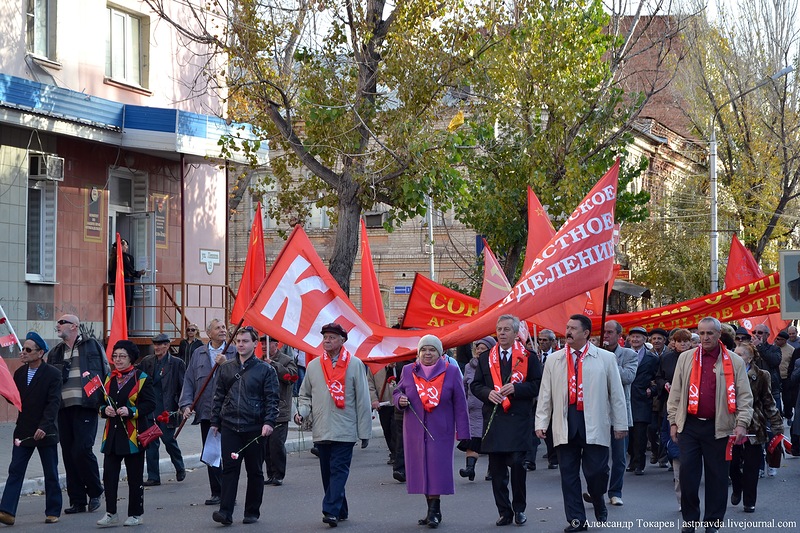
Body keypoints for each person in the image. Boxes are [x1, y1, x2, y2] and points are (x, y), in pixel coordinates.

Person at [535, 314, 628, 533]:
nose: (568, 332)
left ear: (586, 333)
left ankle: (597, 499)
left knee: (597, 472)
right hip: (565, 423)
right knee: (568, 474)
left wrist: (621, 423)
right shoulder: (554, 359)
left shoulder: (604, 358)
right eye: (567, 327)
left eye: (573, 328)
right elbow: (545, 393)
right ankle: (576, 519)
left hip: (594, 421)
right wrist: (541, 421)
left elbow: (616, 393)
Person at [667, 317, 754, 533]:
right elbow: (676, 392)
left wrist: (742, 424)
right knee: (687, 475)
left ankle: (712, 522)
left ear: (718, 335)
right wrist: (673, 422)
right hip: (690, 426)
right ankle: (690, 519)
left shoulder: (734, 361)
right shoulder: (686, 358)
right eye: (702, 333)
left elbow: (744, 395)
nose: (705, 337)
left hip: (720, 428)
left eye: (710, 334)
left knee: (717, 477)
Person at [294, 322, 372, 528]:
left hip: (345, 429)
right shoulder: (313, 366)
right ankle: (341, 508)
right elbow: (304, 395)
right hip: (322, 427)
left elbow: (363, 400)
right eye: (325, 337)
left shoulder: (355, 364)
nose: (327, 341)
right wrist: (301, 412)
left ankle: (330, 510)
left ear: (342, 341)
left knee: (338, 470)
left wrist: (364, 432)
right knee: (327, 473)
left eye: (332, 338)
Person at [470, 314, 542, 527]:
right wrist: (486, 393)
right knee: (497, 469)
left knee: (518, 465)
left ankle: (519, 508)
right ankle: (504, 512)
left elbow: (538, 384)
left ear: (515, 332)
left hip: (518, 419)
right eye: (499, 329)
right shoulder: (486, 358)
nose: (501, 333)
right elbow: (475, 385)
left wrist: (517, 388)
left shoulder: (528, 357)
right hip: (495, 419)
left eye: (506, 329)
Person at [394, 335, 470, 528]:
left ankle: (434, 510)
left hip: (441, 430)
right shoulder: (408, 370)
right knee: (421, 470)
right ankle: (431, 509)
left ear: (440, 353)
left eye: (432, 350)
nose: (427, 353)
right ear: (418, 353)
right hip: (414, 430)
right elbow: (397, 392)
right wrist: (399, 401)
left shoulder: (451, 371)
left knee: (436, 469)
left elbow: (460, 404)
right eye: (424, 350)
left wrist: (463, 433)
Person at [210, 327, 279, 525]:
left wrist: (269, 422)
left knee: (255, 470)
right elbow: (218, 396)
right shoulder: (226, 368)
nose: (240, 344)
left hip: (255, 427)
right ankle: (225, 512)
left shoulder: (266, 370)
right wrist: (215, 421)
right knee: (229, 470)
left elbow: (272, 399)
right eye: (238, 341)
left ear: (255, 344)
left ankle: (251, 511)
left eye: (245, 341)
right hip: (231, 425)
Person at [47, 314, 109, 515]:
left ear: (74, 326)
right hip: (63, 408)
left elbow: (105, 371)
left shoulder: (92, 345)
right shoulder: (55, 352)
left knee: (82, 449)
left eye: (62, 322)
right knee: (68, 452)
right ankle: (78, 500)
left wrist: (104, 400)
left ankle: (96, 491)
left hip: (86, 405)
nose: (58, 325)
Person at [0, 332, 62, 525]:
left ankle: (53, 511)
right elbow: (15, 398)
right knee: (15, 470)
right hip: (24, 431)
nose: (23, 353)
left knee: (50, 472)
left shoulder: (53, 374)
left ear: (40, 353)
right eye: (22, 349)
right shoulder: (19, 373)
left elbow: (53, 403)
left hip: (45, 430)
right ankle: (7, 511)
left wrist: (45, 425)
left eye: (28, 350)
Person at [96, 340, 156, 528]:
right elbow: (100, 403)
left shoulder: (142, 378)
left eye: (122, 356)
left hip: (133, 436)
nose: (118, 360)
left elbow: (150, 404)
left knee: (135, 476)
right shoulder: (108, 378)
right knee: (110, 476)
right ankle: (111, 513)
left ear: (131, 358)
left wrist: (131, 411)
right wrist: (104, 410)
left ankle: (136, 513)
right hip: (112, 436)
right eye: (115, 356)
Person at [179, 318, 236, 506]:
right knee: (211, 452)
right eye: (218, 328)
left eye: (224, 327)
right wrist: (186, 404)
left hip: (230, 412)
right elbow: (189, 380)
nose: (222, 330)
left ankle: (229, 494)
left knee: (228, 454)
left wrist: (225, 364)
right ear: (208, 333)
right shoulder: (199, 353)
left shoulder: (234, 351)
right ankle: (216, 492)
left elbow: (242, 378)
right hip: (207, 412)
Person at [729, 341, 783, 513]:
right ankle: (737, 487)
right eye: (734, 354)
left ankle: (749, 501)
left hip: (754, 425)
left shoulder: (761, 375)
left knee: (752, 466)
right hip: (730, 425)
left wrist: (776, 424)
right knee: (732, 464)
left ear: (750, 357)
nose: (737, 357)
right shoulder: (725, 373)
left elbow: (768, 401)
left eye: (741, 354)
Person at [595, 320, 637, 507]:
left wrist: (608, 361)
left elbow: (628, 377)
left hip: (619, 413)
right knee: (596, 457)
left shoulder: (629, 354)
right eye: (604, 332)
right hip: (598, 412)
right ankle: (596, 490)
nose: (606, 335)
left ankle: (615, 492)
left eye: (610, 332)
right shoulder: (593, 353)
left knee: (619, 457)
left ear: (619, 335)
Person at [138, 333, 186, 486]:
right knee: (151, 443)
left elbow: (183, 386)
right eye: (155, 344)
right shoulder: (147, 361)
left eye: (160, 344)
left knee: (168, 440)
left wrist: (182, 406)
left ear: (167, 345)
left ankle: (179, 466)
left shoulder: (177, 363)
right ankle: (154, 477)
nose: (157, 347)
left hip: (167, 409)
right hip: (150, 408)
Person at [261, 336, 297, 486]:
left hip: (280, 409)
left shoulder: (286, 360)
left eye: (267, 343)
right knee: (266, 447)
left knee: (276, 444)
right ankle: (270, 474)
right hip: (264, 410)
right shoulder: (259, 360)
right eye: (262, 344)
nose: (264, 346)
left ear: (276, 344)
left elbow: (292, 377)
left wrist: (274, 365)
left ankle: (279, 474)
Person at [459, 336, 494, 481]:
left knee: (491, 441)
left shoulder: (495, 366)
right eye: (477, 348)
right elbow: (464, 386)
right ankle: (470, 468)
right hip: (472, 410)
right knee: (472, 440)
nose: (479, 351)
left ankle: (492, 470)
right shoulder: (469, 366)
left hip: (489, 409)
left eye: (483, 349)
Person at [626, 326, 659, 475]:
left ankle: (639, 464)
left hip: (642, 400)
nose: (635, 339)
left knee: (640, 434)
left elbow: (657, 379)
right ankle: (632, 460)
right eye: (632, 337)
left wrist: (651, 391)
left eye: (638, 337)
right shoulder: (623, 355)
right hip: (625, 398)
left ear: (645, 339)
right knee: (629, 434)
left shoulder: (652, 358)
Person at [367, 362, 400, 467]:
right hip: (383, 404)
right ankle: (393, 452)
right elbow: (370, 385)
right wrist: (374, 400)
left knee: (396, 429)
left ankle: (398, 455)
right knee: (387, 430)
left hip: (398, 404)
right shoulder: (374, 367)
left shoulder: (401, 365)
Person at [108, 239, 145, 325]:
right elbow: (129, 269)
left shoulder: (118, 257)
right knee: (126, 307)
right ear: (120, 246)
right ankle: (124, 327)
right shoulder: (121, 257)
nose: (127, 247)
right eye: (125, 245)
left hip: (123, 284)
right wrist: (137, 273)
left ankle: (124, 327)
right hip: (124, 284)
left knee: (125, 307)